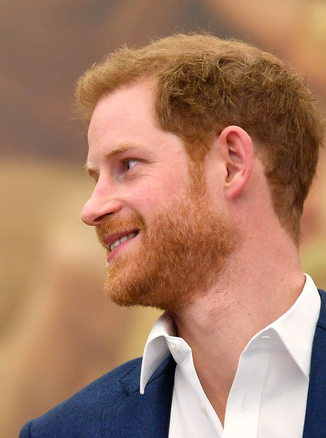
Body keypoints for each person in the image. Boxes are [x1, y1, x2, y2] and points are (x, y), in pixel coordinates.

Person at [19, 33, 326, 437]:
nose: (91, 210)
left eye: (127, 165)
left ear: (232, 164)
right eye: (96, 178)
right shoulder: (65, 432)